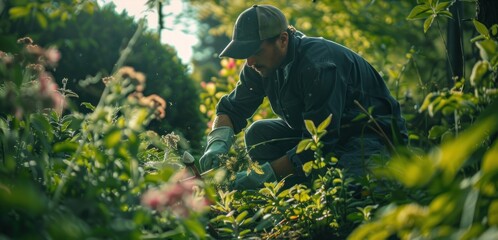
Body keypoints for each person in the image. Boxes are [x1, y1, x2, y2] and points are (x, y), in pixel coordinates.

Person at [199, 4, 407, 190]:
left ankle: (314, 189)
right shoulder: (259, 66)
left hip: (369, 137)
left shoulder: (317, 65)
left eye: (256, 51)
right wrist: (217, 144)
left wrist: (261, 175)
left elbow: (321, 142)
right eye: (246, 53)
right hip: (322, 135)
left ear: (282, 40)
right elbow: (231, 109)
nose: (250, 60)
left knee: (352, 191)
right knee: (259, 134)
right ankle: (295, 192)